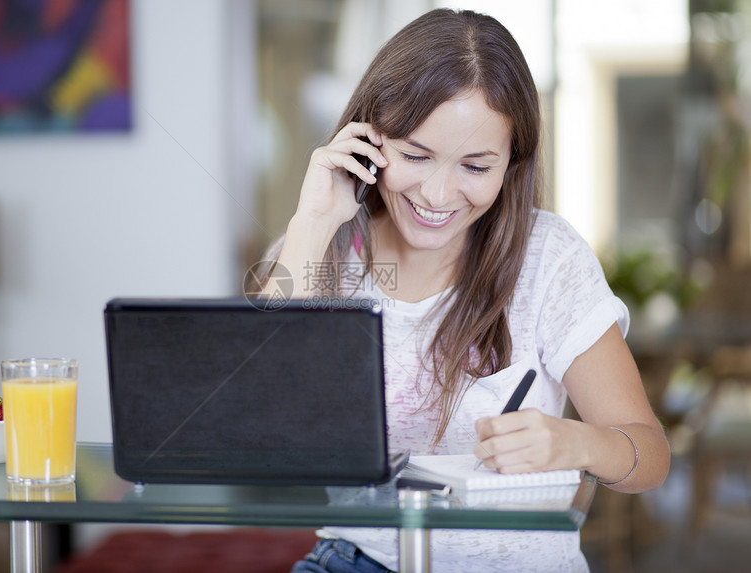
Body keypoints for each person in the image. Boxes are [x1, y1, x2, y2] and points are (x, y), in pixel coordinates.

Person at [259, 8, 670, 572]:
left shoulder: (548, 257)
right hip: (357, 559)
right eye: (414, 156)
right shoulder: (321, 243)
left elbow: (650, 456)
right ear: (370, 138)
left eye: (475, 166)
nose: (438, 193)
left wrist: (573, 444)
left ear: (511, 165)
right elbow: (252, 413)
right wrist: (311, 222)